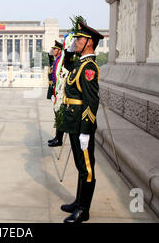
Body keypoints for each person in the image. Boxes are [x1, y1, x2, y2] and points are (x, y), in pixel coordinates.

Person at [59, 21, 104, 223]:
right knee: (80, 165)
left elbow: (91, 101)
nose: (75, 41)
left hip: (81, 124)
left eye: (78, 39)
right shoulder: (80, 63)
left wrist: (86, 130)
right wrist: (67, 51)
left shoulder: (89, 68)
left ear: (89, 42)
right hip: (73, 122)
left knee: (87, 168)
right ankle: (78, 202)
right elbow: (68, 65)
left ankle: (83, 210)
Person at [48, 40, 64, 147]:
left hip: (59, 90)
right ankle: (57, 137)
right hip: (55, 90)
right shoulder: (56, 59)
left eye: (54, 49)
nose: (52, 51)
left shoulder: (61, 60)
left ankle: (59, 139)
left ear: (59, 50)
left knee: (59, 114)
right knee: (56, 113)